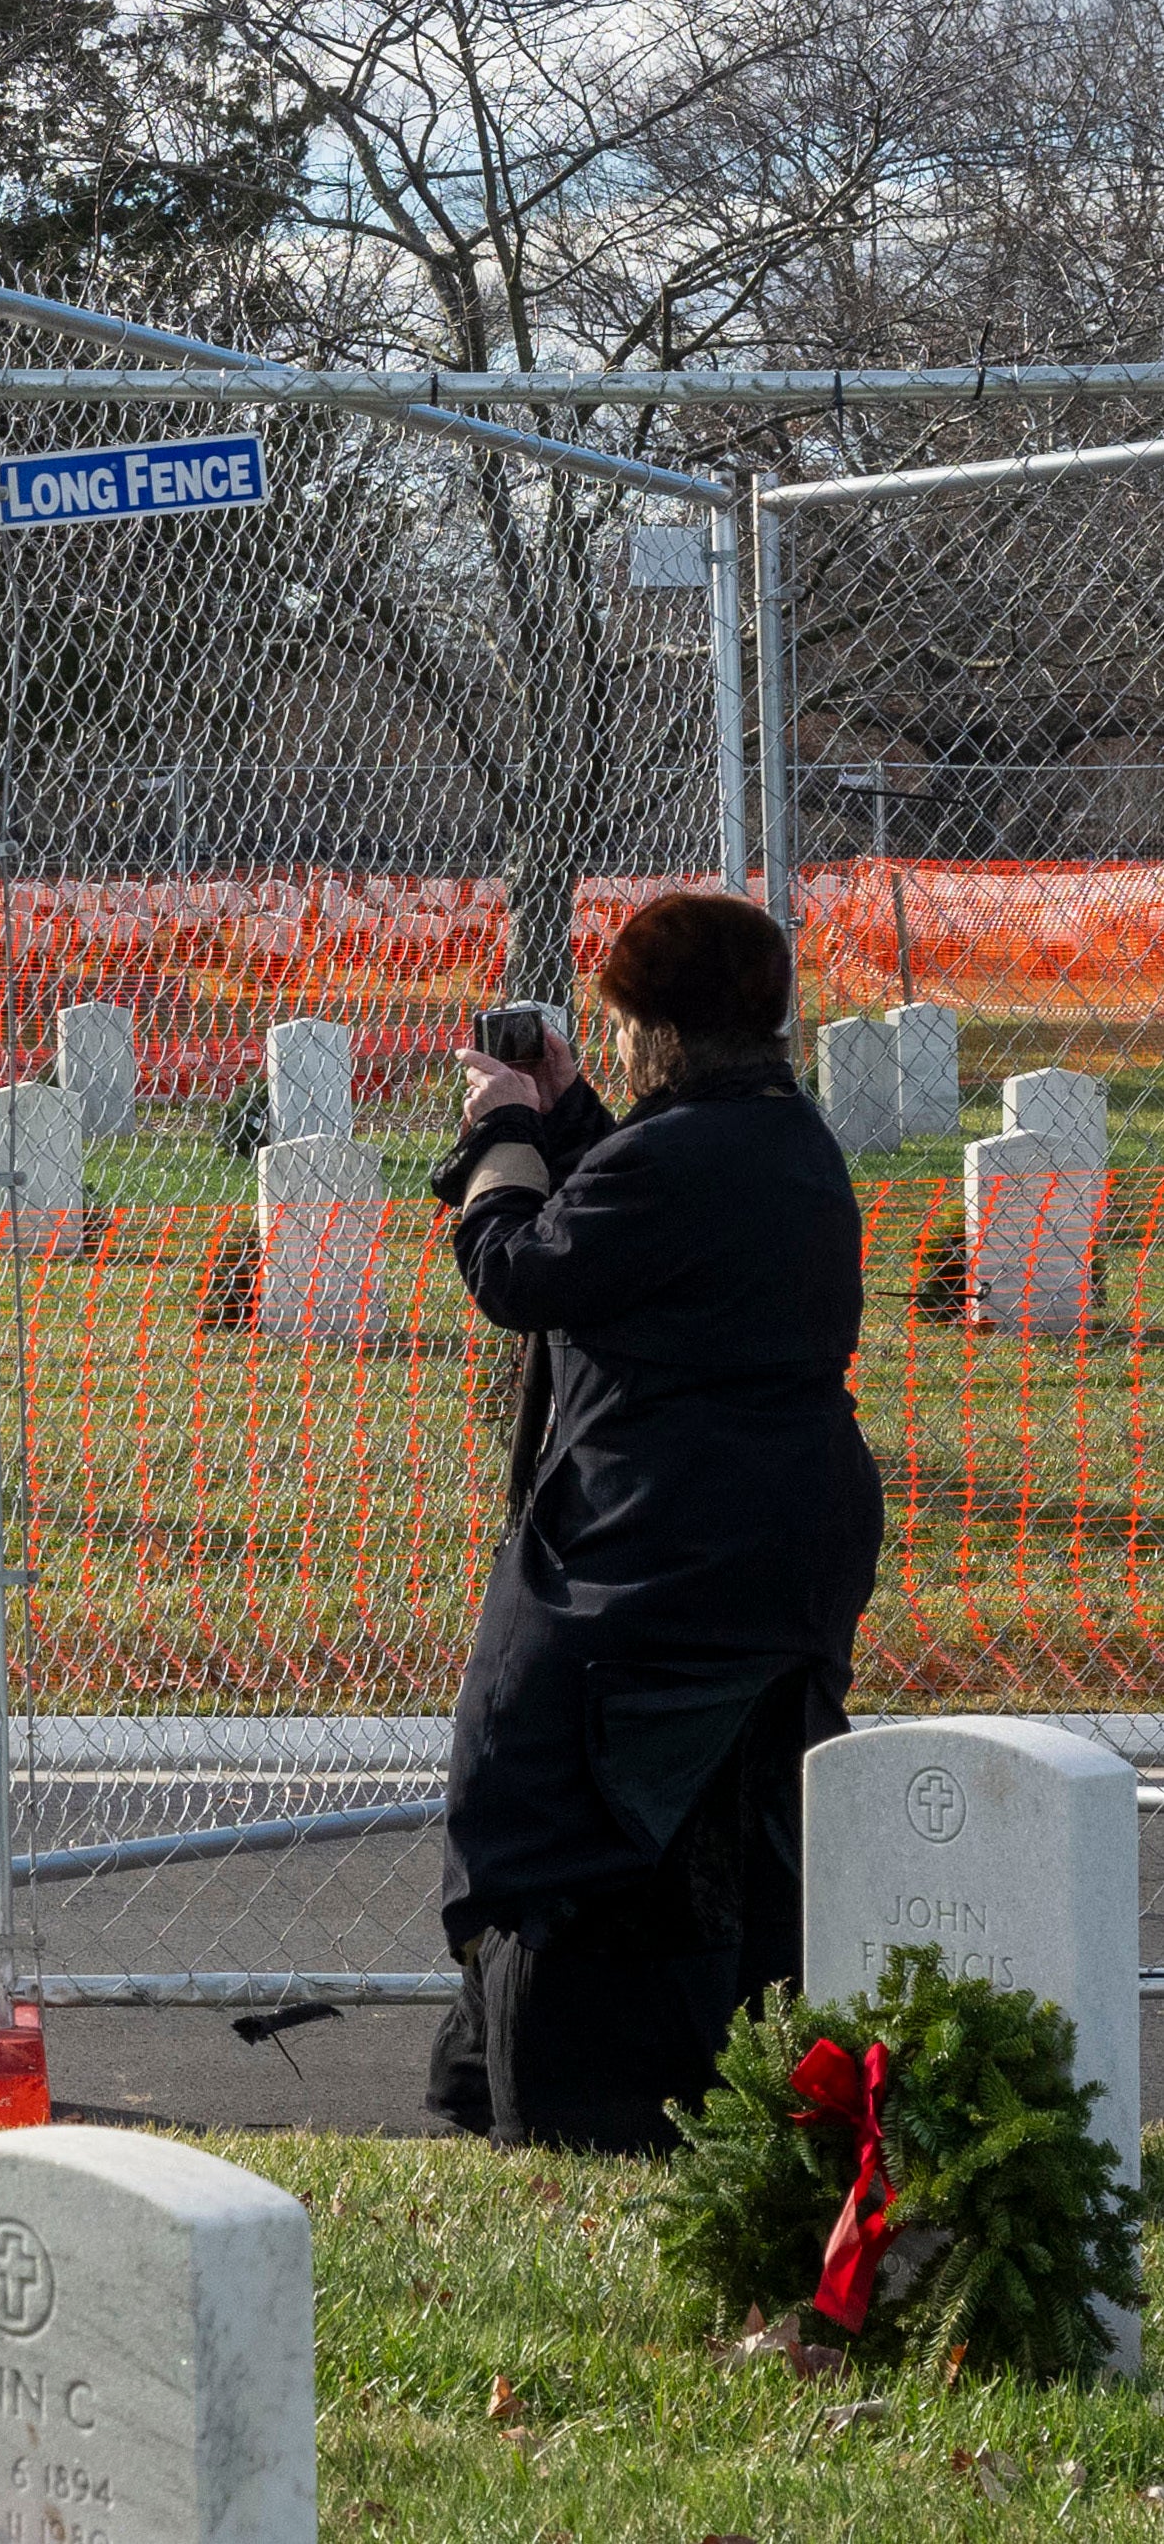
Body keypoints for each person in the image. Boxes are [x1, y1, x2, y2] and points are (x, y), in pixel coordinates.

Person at [423, 891, 879, 2151]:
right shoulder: (780, 1140)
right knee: (723, 1804)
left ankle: (569, 2088)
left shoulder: (679, 1158)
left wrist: (503, 1139)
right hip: (768, 1537)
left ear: (656, 1028)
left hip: (652, 1541)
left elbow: (518, 1272)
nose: (613, 1048)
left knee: (543, 1766)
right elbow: (638, 1229)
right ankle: (697, 2067)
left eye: (619, 1027)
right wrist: (568, 1115)